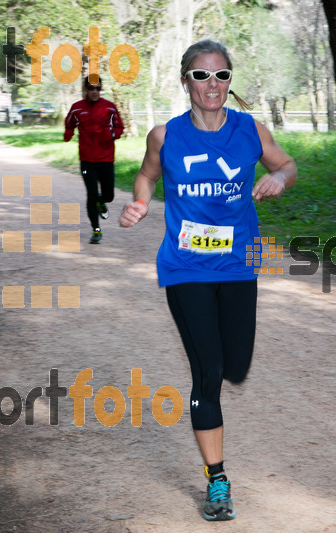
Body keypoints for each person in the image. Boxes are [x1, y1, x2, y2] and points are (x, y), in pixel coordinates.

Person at [118, 40, 296, 521]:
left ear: (230, 81)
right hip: (186, 267)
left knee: (236, 367)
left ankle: (218, 378)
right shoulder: (166, 136)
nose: (212, 85)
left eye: (221, 76)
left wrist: (279, 179)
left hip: (239, 264)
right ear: (185, 82)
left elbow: (287, 163)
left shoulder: (250, 130)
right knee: (209, 373)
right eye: (202, 76)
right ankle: (217, 480)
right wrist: (138, 201)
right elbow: (146, 176)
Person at [63, 78, 124, 244]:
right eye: (91, 88)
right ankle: (96, 230)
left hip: (106, 158)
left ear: (101, 89)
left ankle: (102, 200)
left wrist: (112, 135)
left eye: (97, 88)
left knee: (109, 196)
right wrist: (68, 134)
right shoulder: (77, 108)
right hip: (87, 160)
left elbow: (119, 127)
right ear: (85, 89)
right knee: (90, 194)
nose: (94, 91)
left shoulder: (109, 107)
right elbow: (69, 124)